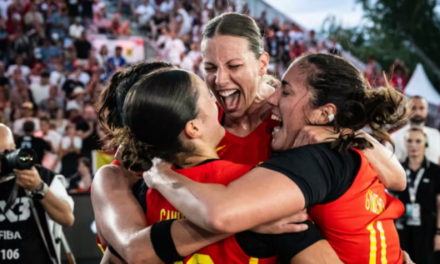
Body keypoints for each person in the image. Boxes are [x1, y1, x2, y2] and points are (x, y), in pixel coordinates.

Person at [94, 13, 408, 263]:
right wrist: (246, 221)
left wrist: (349, 134)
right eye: (209, 68)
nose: (220, 80)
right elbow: (127, 240)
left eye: (233, 66)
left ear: (261, 64)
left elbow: (395, 178)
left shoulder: (290, 123)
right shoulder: (191, 127)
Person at [93, 66, 341, 264]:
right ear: (192, 126)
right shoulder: (258, 191)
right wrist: (247, 217)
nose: (217, 101)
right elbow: (134, 250)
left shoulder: (140, 192)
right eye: (207, 97)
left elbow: (122, 254)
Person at [0, 124, 74, 264]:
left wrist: (39, 188)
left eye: (3, 155)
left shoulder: (41, 176)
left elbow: (67, 218)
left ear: (14, 149)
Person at [393, 128, 440, 264]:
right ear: (405, 143)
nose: (413, 145)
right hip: (402, 227)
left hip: (428, 228)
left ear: (425, 144)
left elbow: (439, 203)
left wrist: (439, 232)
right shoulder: (397, 169)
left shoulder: (435, 171)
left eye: (418, 141)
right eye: (410, 141)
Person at [387, 96, 440, 164]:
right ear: (406, 110)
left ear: (427, 110)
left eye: (421, 108)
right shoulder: (394, 138)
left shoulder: (436, 135)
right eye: (413, 108)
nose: (418, 113)